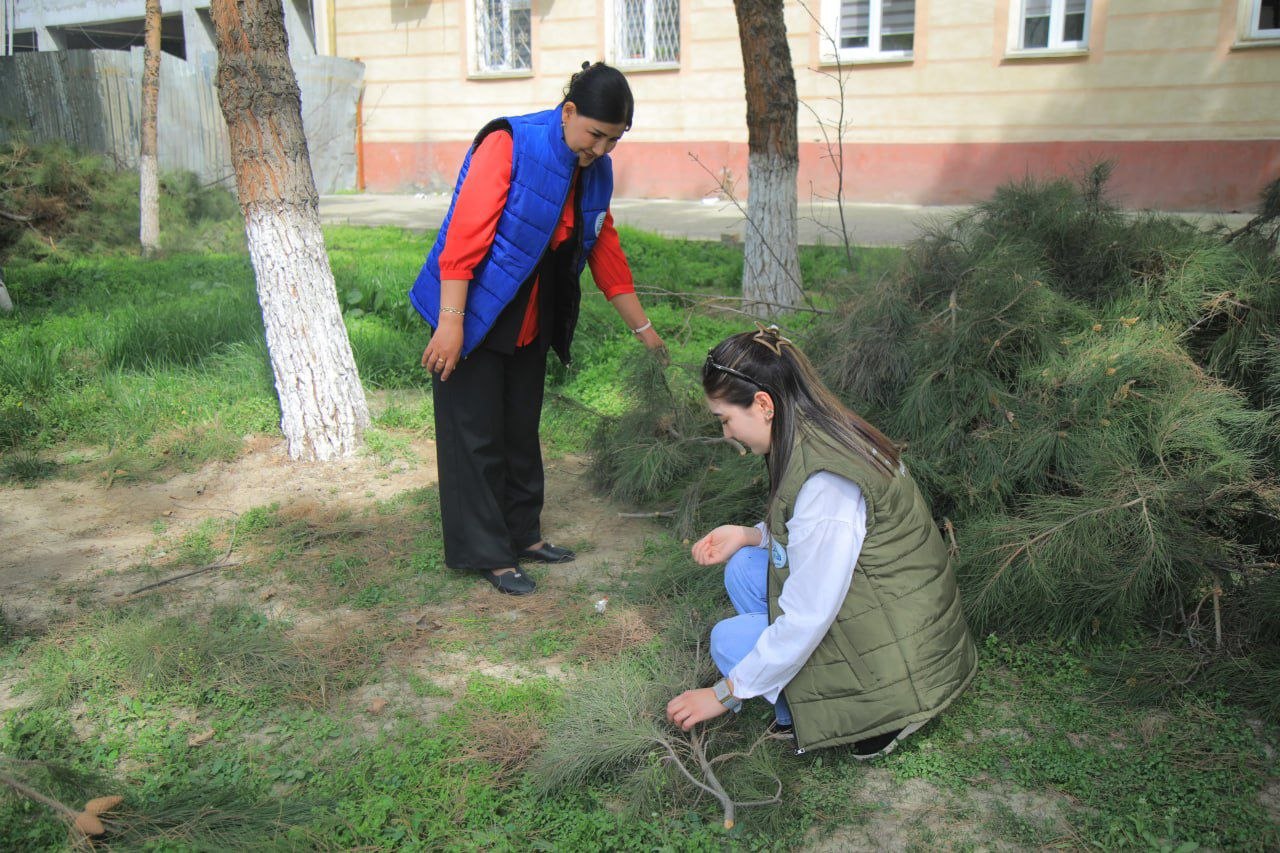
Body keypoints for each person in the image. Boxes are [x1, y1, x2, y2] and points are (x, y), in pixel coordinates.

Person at [409, 62, 665, 596]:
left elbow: (603, 246)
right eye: (595, 134)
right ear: (568, 112)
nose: (599, 149)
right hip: (474, 301)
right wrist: (451, 322)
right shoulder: (509, 143)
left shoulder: (596, 170)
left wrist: (643, 329)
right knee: (474, 433)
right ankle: (488, 553)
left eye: (613, 140)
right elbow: (465, 236)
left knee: (520, 427)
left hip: (532, 307)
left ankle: (523, 534)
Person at [665, 325, 977, 756]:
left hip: (898, 659)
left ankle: (878, 715)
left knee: (729, 641)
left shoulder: (826, 480)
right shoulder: (813, 428)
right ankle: (796, 701)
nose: (726, 435)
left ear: (762, 404)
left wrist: (724, 692)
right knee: (743, 566)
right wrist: (750, 535)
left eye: (726, 420)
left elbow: (810, 614)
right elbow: (814, 541)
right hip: (888, 608)